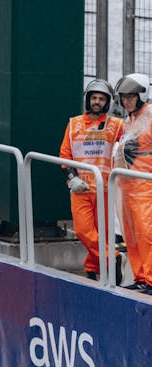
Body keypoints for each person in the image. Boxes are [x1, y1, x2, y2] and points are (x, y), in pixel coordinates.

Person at [59, 79, 123, 281]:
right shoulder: (73, 124)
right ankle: (111, 258)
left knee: (101, 233)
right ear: (88, 99)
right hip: (81, 188)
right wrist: (72, 178)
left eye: (101, 99)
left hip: (105, 189)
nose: (97, 102)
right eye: (94, 98)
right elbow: (65, 155)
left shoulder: (116, 125)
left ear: (108, 103)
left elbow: (127, 149)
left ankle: (92, 266)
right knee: (82, 230)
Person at [113, 74, 152, 293]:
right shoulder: (129, 121)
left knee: (146, 234)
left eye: (131, 96)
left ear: (141, 95)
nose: (127, 101)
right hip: (128, 186)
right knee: (132, 234)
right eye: (124, 97)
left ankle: (150, 278)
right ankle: (141, 277)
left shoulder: (150, 116)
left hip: (145, 185)